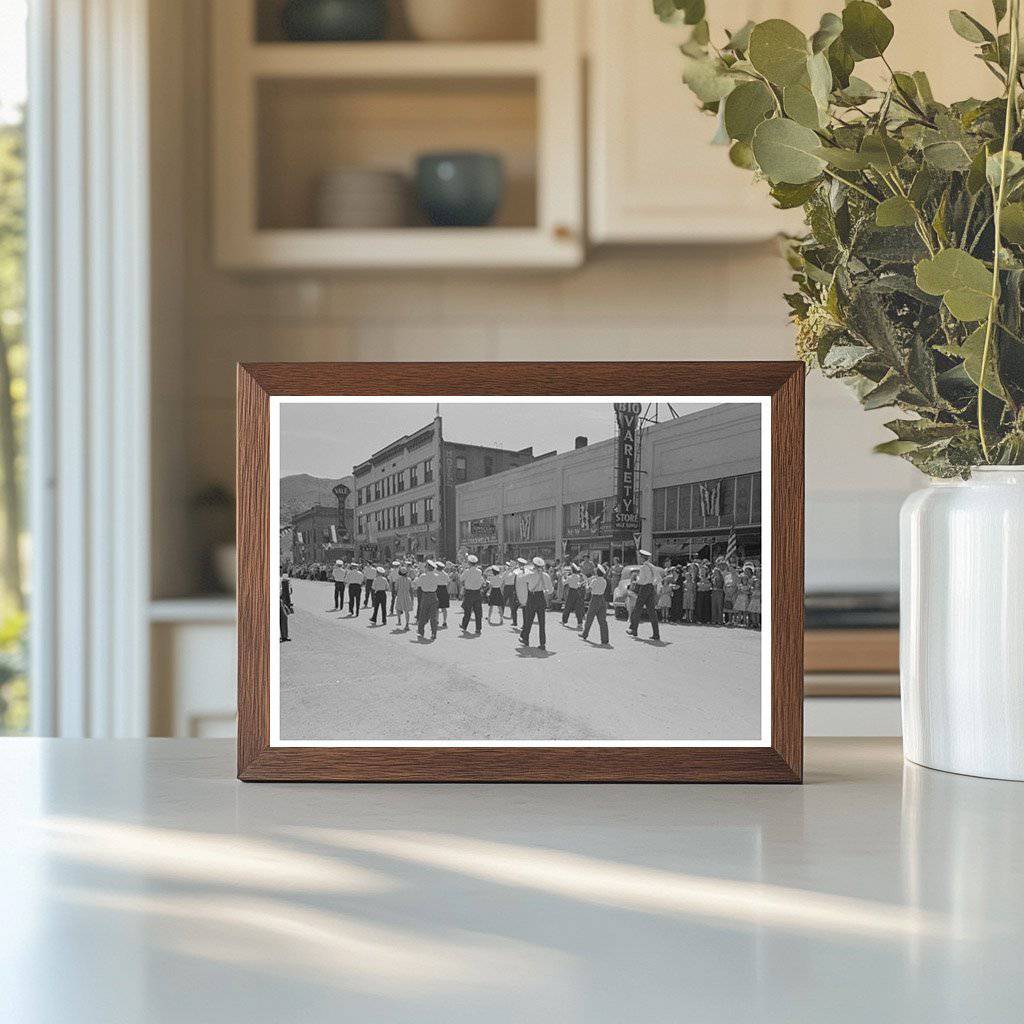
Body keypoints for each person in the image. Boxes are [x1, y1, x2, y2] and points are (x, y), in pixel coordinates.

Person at [519, 556, 553, 650]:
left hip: (532, 597)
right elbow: (550, 590)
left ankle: (526, 639)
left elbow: (520, 579)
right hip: (541, 597)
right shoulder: (546, 575)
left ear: (534, 565)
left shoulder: (530, 574)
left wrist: (525, 569)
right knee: (542, 622)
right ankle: (542, 643)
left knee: (529, 619)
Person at [627, 549, 661, 641]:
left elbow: (641, 580)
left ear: (642, 558)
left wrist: (636, 579)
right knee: (652, 611)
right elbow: (658, 578)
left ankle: (633, 629)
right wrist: (652, 584)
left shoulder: (643, 567)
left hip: (644, 588)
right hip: (650, 588)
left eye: (640, 557)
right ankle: (656, 634)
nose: (640, 559)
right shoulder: (652, 566)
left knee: (637, 609)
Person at [414, 559, 445, 640]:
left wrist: (418, 577)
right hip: (434, 595)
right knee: (433, 616)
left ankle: (421, 631)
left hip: (425, 595)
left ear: (427, 567)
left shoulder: (423, 576)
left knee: (423, 614)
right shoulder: (436, 576)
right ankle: (434, 633)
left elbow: (417, 584)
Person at [580, 564, 610, 645]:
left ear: (597, 572)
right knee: (602, 620)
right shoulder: (604, 581)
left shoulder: (594, 580)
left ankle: (585, 634)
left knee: (589, 618)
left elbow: (588, 590)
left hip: (595, 599)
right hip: (602, 599)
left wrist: (586, 582)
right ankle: (605, 639)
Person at [460, 554, 485, 634]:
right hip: (477, 593)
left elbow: (461, 579)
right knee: (478, 612)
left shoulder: (467, 571)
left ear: (470, 563)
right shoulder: (479, 571)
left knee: (467, 611)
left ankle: (464, 626)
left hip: (469, 593)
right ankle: (478, 628)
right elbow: (482, 581)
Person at [561, 563, 585, 629]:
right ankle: (580, 623)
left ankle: (564, 621)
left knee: (567, 606)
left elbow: (564, 583)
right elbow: (580, 584)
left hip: (571, 592)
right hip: (577, 591)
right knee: (578, 608)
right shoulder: (578, 576)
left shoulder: (570, 577)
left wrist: (563, 577)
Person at [393, 565, 414, 631]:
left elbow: (396, 588)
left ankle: (399, 620)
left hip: (400, 595)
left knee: (398, 608)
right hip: (407, 595)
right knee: (407, 611)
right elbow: (411, 589)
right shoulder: (409, 579)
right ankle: (407, 624)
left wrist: (395, 593)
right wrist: (412, 597)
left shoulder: (398, 579)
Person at [501, 560, 519, 626]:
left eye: (511, 566)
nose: (509, 567)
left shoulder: (515, 573)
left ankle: (514, 621)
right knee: (504, 602)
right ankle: (501, 616)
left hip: (511, 588)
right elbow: (502, 579)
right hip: (508, 588)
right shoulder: (507, 572)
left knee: (512, 605)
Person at [435, 561, 452, 628]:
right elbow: (449, 582)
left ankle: (436, 620)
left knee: (436, 607)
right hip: (444, 589)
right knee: (444, 607)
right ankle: (444, 621)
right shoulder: (445, 574)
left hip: (436, 589)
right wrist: (447, 590)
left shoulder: (434, 572)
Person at [711, 558, 726, 626]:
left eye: (716, 571)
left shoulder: (721, 578)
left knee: (719, 606)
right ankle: (714, 620)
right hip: (714, 592)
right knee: (714, 607)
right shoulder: (713, 578)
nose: (715, 573)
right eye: (714, 572)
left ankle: (720, 620)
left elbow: (722, 586)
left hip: (719, 592)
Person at [280, 574, 293, 641]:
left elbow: (289, 593)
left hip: (280, 600)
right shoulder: (282, 581)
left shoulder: (282, 580)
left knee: (284, 617)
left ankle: (284, 636)